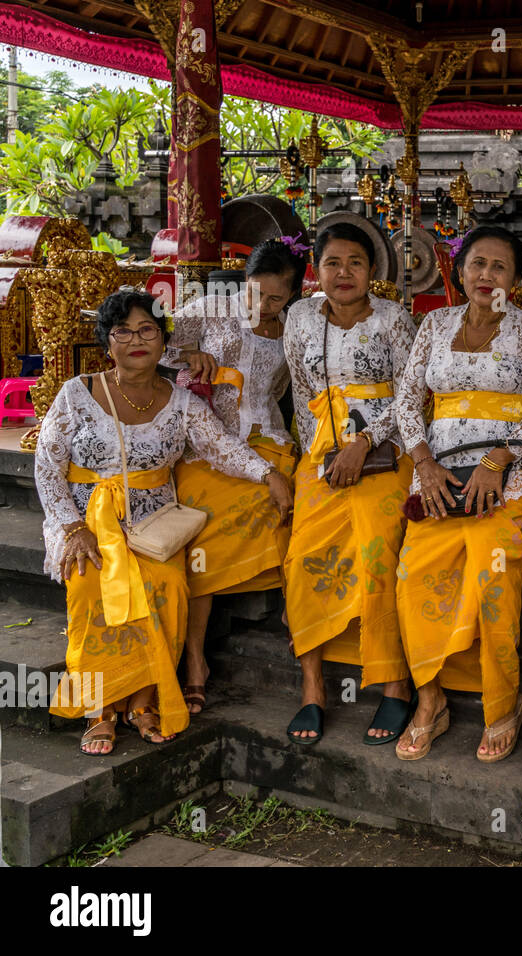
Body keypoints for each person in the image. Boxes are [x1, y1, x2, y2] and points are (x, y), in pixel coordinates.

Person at [36, 289, 291, 755]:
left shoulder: (182, 402)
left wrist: (269, 473)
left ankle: (143, 700)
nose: (136, 340)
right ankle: (100, 707)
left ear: (163, 340)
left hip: (152, 527)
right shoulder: (77, 393)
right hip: (87, 524)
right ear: (106, 343)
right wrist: (71, 528)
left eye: (147, 330)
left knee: (168, 586)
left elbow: (222, 449)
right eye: (123, 332)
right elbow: (47, 465)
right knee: (93, 584)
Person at [390, 225, 522, 761]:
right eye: (477, 264)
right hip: (436, 477)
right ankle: (430, 700)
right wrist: (424, 464)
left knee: (493, 581)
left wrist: (495, 460)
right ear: (459, 272)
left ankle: (502, 703)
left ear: (517, 279)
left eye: (500, 267)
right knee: (414, 579)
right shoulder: (435, 323)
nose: (487, 276)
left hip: (507, 478)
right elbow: (406, 400)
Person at [281, 222, 417, 746]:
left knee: (378, 551)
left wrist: (364, 442)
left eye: (355, 263)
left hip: (384, 455)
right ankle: (312, 686)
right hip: (322, 458)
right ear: (316, 269)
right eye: (333, 262)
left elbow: (413, 395)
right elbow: (300, 391)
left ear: (372, 271)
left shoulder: (393, 320)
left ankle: (393, 684)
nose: (343, 273)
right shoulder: (297, 316)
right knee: (300, 557)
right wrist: (315, 456)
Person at [166, 238, 307, 714]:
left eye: (274, 298)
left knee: (289, 504)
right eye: (254, 294)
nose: (261, 306)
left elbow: (294, 390)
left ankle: (303, 616)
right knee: (199, 530)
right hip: (208, 447)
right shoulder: (209, 308)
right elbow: (152, 342)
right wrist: (188, 356)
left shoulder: (294, 328)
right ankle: (195, 660)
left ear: (291, 296)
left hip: (269, 442)